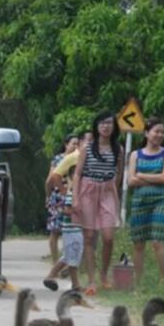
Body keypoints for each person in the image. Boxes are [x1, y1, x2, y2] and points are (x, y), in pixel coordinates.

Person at [73, 112, 123, 295]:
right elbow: (77, 173)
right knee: (88, 236)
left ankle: (104, 275)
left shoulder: (118, 149)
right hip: (88, 189)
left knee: (108, 236)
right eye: (102, 123)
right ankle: (92, 281)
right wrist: (76, 197)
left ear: (114, 126)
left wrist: (113, 191)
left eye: (109, 123)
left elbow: (119, 173)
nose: (106, 126)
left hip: (107, 190)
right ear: (97, 126)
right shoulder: (87, 147)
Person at [128, 117, 164, 283]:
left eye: (162, 132)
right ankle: (138, 282)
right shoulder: (135, 155)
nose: (160, 134)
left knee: (158, 241)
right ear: (147, 133)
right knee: (138, 243)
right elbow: (130, 181)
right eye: (156, 131)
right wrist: (152, 177)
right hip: (140, 202)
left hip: (161, 201)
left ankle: (163, 280)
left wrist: (141, 175)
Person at [45, 134, 79, 264]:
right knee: (55, 231)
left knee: (71, 231)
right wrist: (48, 196)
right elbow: (50, 179)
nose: (76, 146)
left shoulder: (80, 159)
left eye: (78, 144)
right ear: (66, 144)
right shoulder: (58, 159)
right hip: (58, 197)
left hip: (76, 197)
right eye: (73, 143)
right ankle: (55, 262)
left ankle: (68, 262)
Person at [43, 188, 82, 291]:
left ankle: (53, 275)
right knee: (71, 257)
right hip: (72, 229)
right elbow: (67, 210)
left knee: (70, 256)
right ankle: (74, 283)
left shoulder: (82, 192)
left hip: (76, 228)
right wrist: (81, 210)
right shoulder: (73, 192)